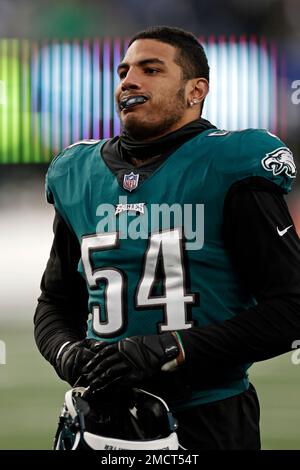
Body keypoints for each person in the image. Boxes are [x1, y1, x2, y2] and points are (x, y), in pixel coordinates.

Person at [34, 26, 300, 450]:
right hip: (104, 415)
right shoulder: (77, 173)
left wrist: (171, 349)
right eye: (124, 70)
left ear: (196, 90)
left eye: (150, 69)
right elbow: (55, 303)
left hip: (208, 416)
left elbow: (291, 309)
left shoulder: (229, 163)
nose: (129, 80)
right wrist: (70, 354)